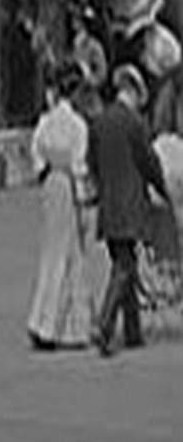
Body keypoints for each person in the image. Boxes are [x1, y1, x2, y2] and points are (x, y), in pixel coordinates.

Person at [87, 64, 170, 358]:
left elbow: (92, 162)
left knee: (125, 263)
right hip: (129, 204)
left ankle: (133, 331)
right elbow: (148, 162)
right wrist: (164, 190)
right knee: (124, 268)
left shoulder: (99, 122)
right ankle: (105, 325)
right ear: (132, 92)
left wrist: (100, 188)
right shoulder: (134, 123)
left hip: (108, 205)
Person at [26, 61, 94, 352]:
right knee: (72, 254)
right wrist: (84, 201)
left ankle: (42, 319)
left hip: (51, 184)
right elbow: (79, 165)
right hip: (67, 184)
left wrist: (43, 171)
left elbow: (36, 152)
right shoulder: (78, 126)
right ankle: (62, 327)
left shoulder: (46, 121)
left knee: (51, 251)